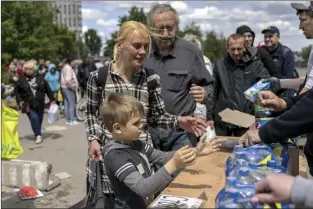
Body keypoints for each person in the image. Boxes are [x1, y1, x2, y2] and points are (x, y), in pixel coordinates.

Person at [85, 21, 209, 208]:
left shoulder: (150, 79)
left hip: (142, 155)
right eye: (137, 46)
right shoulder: (99, 77)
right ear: (120, 45)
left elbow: (157, 116)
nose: (143, 51)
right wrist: (93, 139)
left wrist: (180, 121)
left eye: (146, 46)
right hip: (110, 159)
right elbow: (91, 114)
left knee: (143, 197)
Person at [101, 93, 221, 209]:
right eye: (136, 123)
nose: (141, 126)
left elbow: (162, 157)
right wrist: (174, 164)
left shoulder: (135, 144)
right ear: (117, 128)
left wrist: (197, 151)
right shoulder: (116, 157)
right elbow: (143, 188)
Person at [144, 3, 214, 148]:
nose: (165, 34)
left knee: (182, 171)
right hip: (148, 132)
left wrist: (204, 92)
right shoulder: (142, 51)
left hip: (181, 134)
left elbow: (210, 85)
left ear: (176, 26)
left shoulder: (191, 52)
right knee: (152, 172)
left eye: (170, 28)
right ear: (151, 29)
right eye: (159, 28)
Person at [207, 33, 270, 136]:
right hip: (222, 120)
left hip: (244, 120)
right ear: (227, 48)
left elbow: (267, 83)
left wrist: (251, 101)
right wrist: (209, 117)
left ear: (245, 48)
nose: (236, 52)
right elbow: (213, 92)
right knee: (219, 151)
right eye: (232, 49)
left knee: (244, 150)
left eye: (239, 49)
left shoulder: (255, 65)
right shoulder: (219, 65)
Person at [265, 2, 313, 95]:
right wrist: (278, 83)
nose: (300, 27)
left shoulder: (286, 53)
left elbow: (309, 87)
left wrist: (288, 105)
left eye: (303, 20)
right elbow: (308, 80)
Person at [14, 60, 55, 144]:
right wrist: (19, 101)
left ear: (34, 69)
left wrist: (52, 100)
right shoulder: (21, 80)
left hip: (40, 102)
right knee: (34, 118)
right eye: (26, 69)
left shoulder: (40, 78)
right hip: (27, 103)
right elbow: (16, 91)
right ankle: (38, 135)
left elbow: (47, 89)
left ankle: (37, 131)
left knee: (39, 119)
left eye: (30, 69)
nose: (28, 70)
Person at [261, 26, 298, 96]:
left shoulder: (286, 53)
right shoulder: (262, 51)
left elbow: (289, 79)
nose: (267, 39)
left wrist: (286, 101)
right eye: (265, 37)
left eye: (270, 36)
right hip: (266, 91)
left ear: (278, 37)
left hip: (282, 92)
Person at [61, 58, 79, 125]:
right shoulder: (69, 68)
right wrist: (72, 87)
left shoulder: (64, 67)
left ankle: (68, 119)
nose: (74, 63)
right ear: (70, 61)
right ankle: (72, 119)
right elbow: (68, 79)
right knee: (71, 104)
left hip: (64, 87)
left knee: (66, 103)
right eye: (74, 61)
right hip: (69, 87)